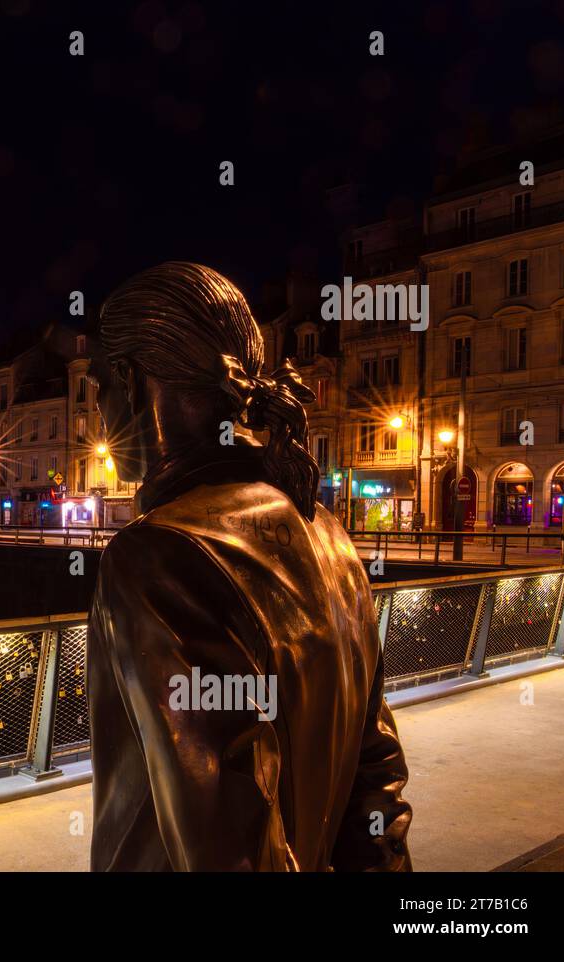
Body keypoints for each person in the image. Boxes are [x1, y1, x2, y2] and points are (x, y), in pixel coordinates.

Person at [86, 262, 413, 871]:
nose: (100, 413)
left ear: (130, 384)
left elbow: (225, 843)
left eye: (98, 386)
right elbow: (377, 787)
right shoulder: (331, 538)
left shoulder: (159, 557)